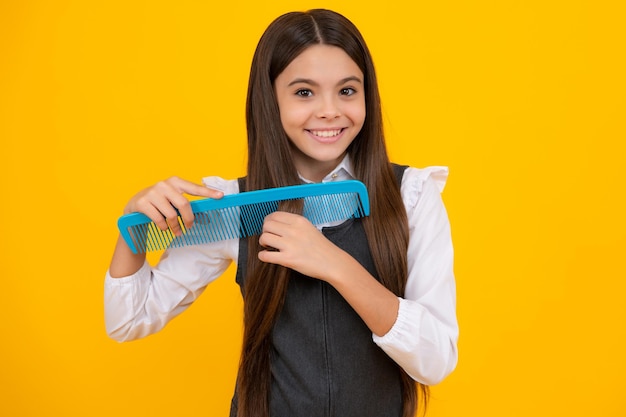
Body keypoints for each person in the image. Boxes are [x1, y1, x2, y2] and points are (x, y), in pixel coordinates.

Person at [105, 8, 458, 417]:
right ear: (270, 98)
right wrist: (134, 225)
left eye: (347, 90)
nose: (329, 111)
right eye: (304, 92)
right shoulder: (234, 205)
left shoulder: (410, 197)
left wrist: (336, 265)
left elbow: (436, 360)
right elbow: (127, 321)